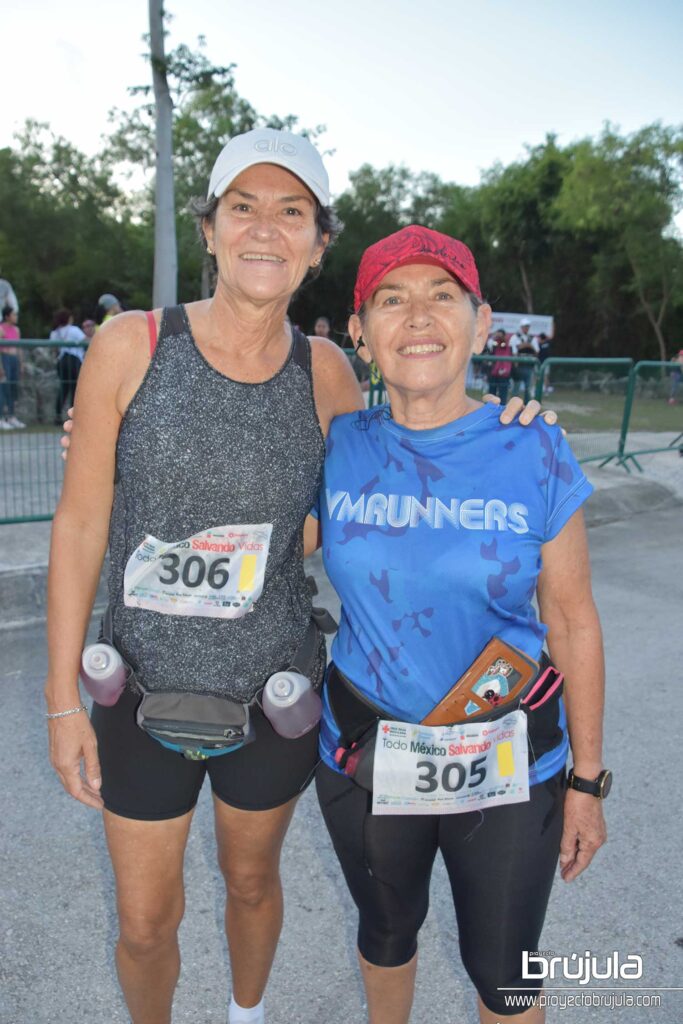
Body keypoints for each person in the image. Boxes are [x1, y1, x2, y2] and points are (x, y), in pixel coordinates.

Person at [52, 131, 552, 1024]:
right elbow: (82, 522)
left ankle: (247, 1016)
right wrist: (62, 704)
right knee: (141, 922)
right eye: (243, 206)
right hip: (137, 683)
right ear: (208, 229)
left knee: (250, 883)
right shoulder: (130, 346)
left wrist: (510, 427)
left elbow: (352, 507)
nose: (265, 230)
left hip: (274, 691)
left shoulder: (325, 372)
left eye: (292, 213)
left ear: (319, 246)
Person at [313, 225, 609, 1024]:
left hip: (508, 753)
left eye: (442, 296)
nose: (417, 317)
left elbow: (574, 623)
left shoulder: (534, 447)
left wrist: (586, 781)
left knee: (504, 970)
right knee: (384, 933)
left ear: (481, 325)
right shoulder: (337, 444)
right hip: (365, 750)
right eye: (390, 300)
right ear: (360, 334)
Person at [51, 310, 86, 425]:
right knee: (75, 389)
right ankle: (74, 416)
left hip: (62, 362)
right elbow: (85, 340)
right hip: (74, 360)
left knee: (64, 388)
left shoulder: (55, 332)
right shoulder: (74, 330)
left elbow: (54, 350)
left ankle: (57, 415)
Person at [0, 305, 25, 428]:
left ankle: (12, 416)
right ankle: (1, 418)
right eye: (14, 314)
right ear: (7, 316)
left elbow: (19, 348)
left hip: (14, 359)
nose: (16, 317)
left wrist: (21, 364)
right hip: (5, 358)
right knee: (4, 388)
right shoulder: (1, 329)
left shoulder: (16, 330)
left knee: (13, 389)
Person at [509, 317, 539, 403]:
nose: (526, 328)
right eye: (524, 326)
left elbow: (536, 352)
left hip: (529, 366)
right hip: (518, 366)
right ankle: (513, 404)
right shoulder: (514, 337)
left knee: (528, 388)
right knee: (516, 387)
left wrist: (528, 346)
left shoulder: (532, 338)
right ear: (521, 327)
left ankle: (527, 405)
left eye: (527, 326)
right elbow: (514, 352)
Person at [485, 327, 513, 402]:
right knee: (491, 394)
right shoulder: (493, 343)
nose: (499, 337)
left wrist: (502, 338)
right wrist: (495, 336)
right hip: (494, 372)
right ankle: (490, 409)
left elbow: (505, 343)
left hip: (504, 373)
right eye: (498, 335)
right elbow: (489, 345)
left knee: (503, 394)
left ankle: (502, 410)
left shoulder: (508, 344)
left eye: (500, 335)